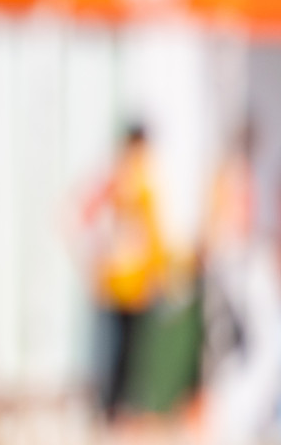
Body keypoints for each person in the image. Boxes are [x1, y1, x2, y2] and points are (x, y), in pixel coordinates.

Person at [82, 124, 167, 421]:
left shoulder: (139, 179)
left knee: (132, 350)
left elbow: (153, 233)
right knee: (119, 349)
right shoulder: (122, 178)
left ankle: (124, 407)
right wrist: (99, 254)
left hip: (137, 280)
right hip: (121, 280)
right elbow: (87, 214)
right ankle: (113, 408)